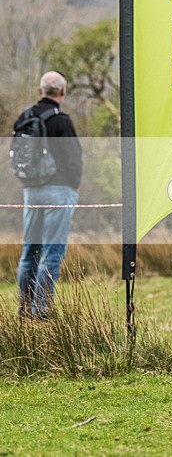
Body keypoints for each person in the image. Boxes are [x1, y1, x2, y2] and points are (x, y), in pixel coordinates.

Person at [16, 71, 82, 319]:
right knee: (52, 253)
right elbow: (74, 159)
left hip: (30, 191)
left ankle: (24, 309)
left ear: (39, 90)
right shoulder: (61, 120)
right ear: (62, 92)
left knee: (29, 251)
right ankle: (42, 310)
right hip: (59, 190)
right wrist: (71, 187)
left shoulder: (24, 117)